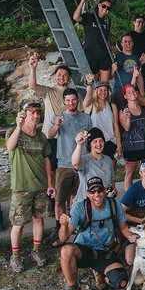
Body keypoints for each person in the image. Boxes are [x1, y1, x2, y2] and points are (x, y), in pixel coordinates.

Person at [58, 176, 137, 290]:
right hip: (84, 250)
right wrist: (63, 225)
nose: (97, 195)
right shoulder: (79, 207)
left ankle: (99, 271)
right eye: (92, 192)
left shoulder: (114, 205)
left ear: (104, 191)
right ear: (88, 193)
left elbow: (124, 228)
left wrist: (134, 237)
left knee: (121, 283)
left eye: (99, 190)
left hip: (105, 252)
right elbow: (63, 237)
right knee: (66, 251)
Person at [6, 101, 54, 273]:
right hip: (21, 187)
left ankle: (36, 251)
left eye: (38, 112)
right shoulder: (13, 132)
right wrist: (18, 127)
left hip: (40, 186)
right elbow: (10, 146)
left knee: (39, 219)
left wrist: (50, 183)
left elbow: (47, 160)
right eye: (32, 112)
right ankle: (16, 255)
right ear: (24, 114)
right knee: (18, 223)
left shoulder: (41, 137)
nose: (36, 115)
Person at [48, 89, 92, 226]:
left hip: (82, 164)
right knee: (59, 200)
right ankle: (59, 228)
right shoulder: (58, 117)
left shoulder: (86, 118)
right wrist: (57, 125)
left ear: (78, 100)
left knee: (78, 198)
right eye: (67, 100)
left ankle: (75, 225)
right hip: (64, 164)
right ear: (64, 101)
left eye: (73, 99)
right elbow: (49, 135)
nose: (71, 103)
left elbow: (91, 138)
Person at [28, 56, 73, 172]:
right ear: (54, 76)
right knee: (50, 170)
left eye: (65, 75)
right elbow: (33, 86)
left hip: (68, 138)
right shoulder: (48, 91)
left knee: (68, 170)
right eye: (59, 75)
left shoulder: (73, 95)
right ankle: (52, 190)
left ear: (69, 78)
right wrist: (33, 68)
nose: (61, 77)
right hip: (50, 138)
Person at [119, 83, 145, 192]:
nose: (132, 93)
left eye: (133, 91)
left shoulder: (144, 108)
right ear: (125, 96)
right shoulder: (124, 110)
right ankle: (129, 197)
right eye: (129, 92)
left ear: (137, 93)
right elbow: (126, 128)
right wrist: (127, 118)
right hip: (131, 147)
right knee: (130, 173)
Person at [72, 0, 112, 82]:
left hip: (104, 56)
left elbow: (107, 37)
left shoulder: (108, 21)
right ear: (99, 5)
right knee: (93, 84)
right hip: (91, 55)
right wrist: (82, 1)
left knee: (104, 85)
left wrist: (111, 50)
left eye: (108, 8)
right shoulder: (89, 17)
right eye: (103, 6)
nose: (105, 9)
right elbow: (76, 17)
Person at [71, 127, 116, 204]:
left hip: (103, 203)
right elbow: (75, 163)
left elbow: (111, 181)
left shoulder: (108, 159)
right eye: (95, 141)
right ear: (90, 144)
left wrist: (113, 191)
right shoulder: (85, 160)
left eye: (101, 141)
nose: (99, 144)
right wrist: (79, 145)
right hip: (85, 204)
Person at [83, 76, 122, 160]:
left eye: (105, 90)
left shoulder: (112, 106)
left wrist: (119, 146)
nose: (103, 92)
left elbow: (116, 127)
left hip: (110, 142)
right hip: (95, 143)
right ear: (96, 91)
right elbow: (88, 97)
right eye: (100, 90)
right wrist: (89, 84)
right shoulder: (90, 106)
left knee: (110, 171)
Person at [112, 32, 145, 98]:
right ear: (121, 44)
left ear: (133, 43)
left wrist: (142, 93)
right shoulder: (116, 57)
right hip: (118, 92)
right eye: (125, 41)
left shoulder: (136, 58)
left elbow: (139, 76)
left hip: (132, 93)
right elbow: (110, 76)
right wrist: (113, 70)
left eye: (130, 41)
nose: (128, 43)